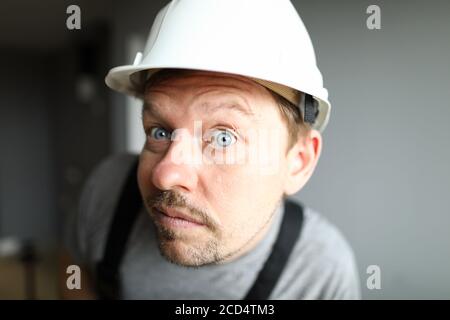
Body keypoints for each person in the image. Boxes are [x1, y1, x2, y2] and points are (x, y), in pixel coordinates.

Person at [62, 0, 361, 299]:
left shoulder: (321, 273)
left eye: (223, 138)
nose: (165, 175)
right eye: (160, 131)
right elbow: (73, 272)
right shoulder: (108, 188)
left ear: (298, 162)